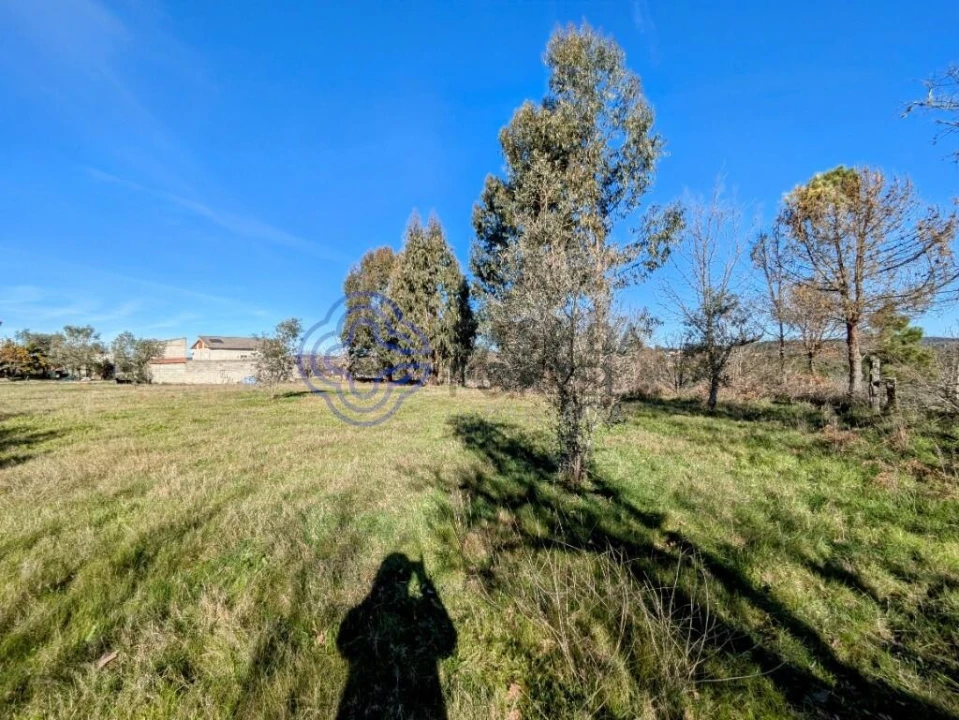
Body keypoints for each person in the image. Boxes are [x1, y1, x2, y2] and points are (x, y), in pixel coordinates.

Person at [336, 553, 456, 719]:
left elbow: (343, 645)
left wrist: (370, 602)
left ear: (378, 581)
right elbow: (447, 643)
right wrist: (427, 588)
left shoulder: (361, 616)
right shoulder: (418, 614)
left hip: (365, 711)